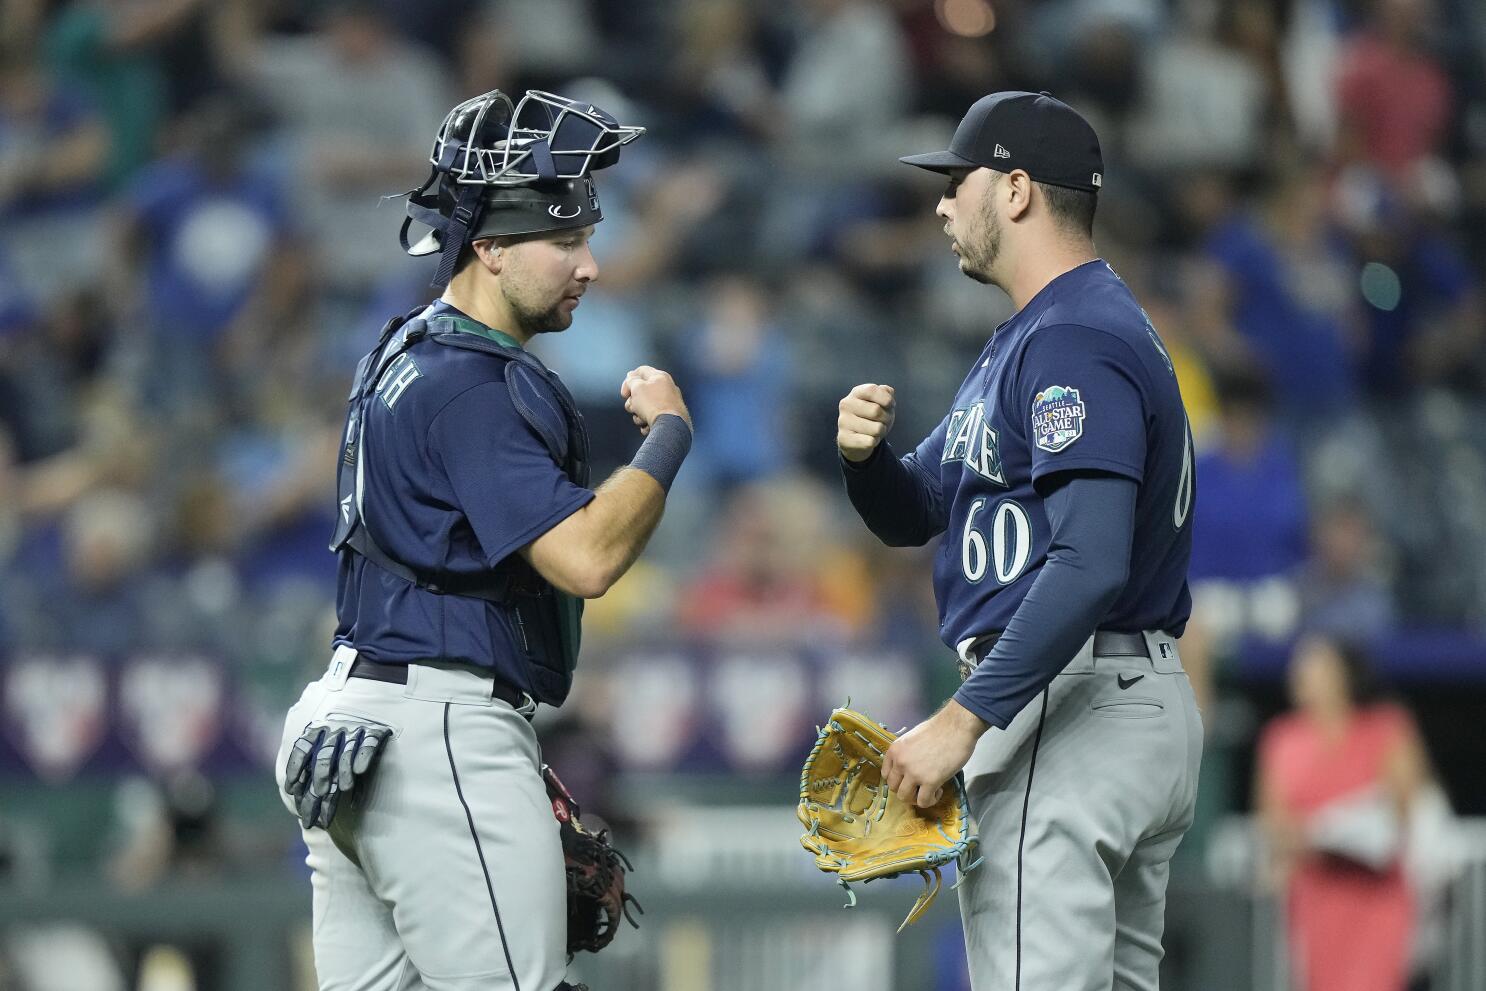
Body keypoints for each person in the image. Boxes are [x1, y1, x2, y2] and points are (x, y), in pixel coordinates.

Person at [274, 88, 693, 991]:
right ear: (490, 249)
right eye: (565, 241)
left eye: (588, 237)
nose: (589, 265)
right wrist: (667, 438)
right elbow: (586, 560)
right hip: (438, 729)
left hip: (355, 714)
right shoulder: (471, 380)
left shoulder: (401, 349)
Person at [836, 91, 1202, 990]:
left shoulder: (1073, 335)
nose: (941, 204)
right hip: (1111, 694)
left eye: (957, 182)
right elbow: (918, 507)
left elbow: (1088, 563)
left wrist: (963, 721)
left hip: (1067, 701)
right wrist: (865, 460)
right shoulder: (1046, 330)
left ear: (1016, 189)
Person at [1255, 636, 1429, 991]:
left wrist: (1337, 832)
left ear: (1343, 674)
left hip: (1378, 897)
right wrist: (1315, 837)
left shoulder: (1388, 726)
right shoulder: (1281, 738)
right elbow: (1273, 822)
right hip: (1312, 900)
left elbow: (1404, 809)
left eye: (1314, 665)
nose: (1300, 674)